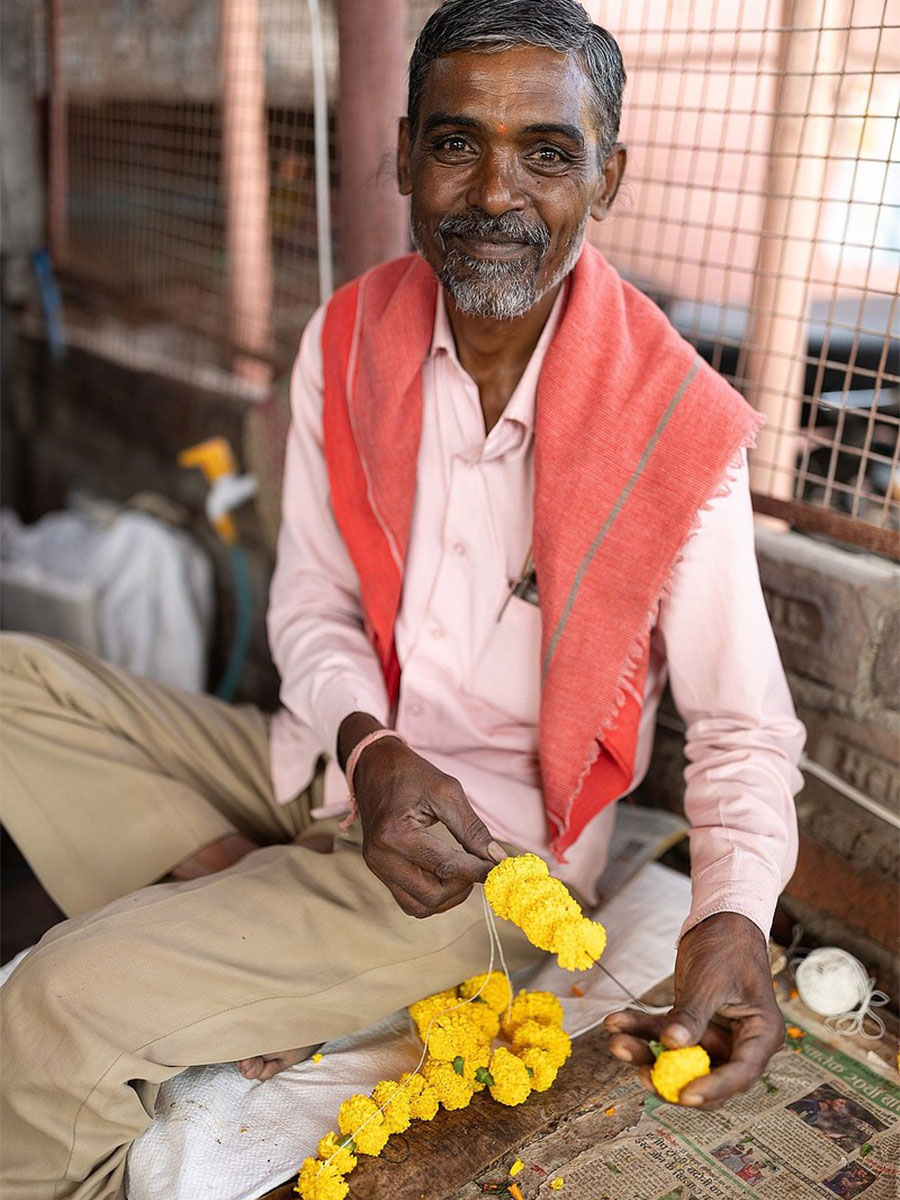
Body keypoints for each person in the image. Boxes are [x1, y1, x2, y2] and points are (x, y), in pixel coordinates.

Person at [0, 1, 805, 1196]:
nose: (494, 194)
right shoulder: (346, 337)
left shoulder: (673, 428)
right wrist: (368, 747)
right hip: (331, 766)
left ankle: (251, 924)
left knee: (51, 1010)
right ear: (399, 155)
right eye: (455, 142)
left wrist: (731, 918)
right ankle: (228, 870)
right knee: (13, 679)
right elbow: (313, 607)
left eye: (547, 152)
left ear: (611, 177)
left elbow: (744, 725)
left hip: (482, 869)